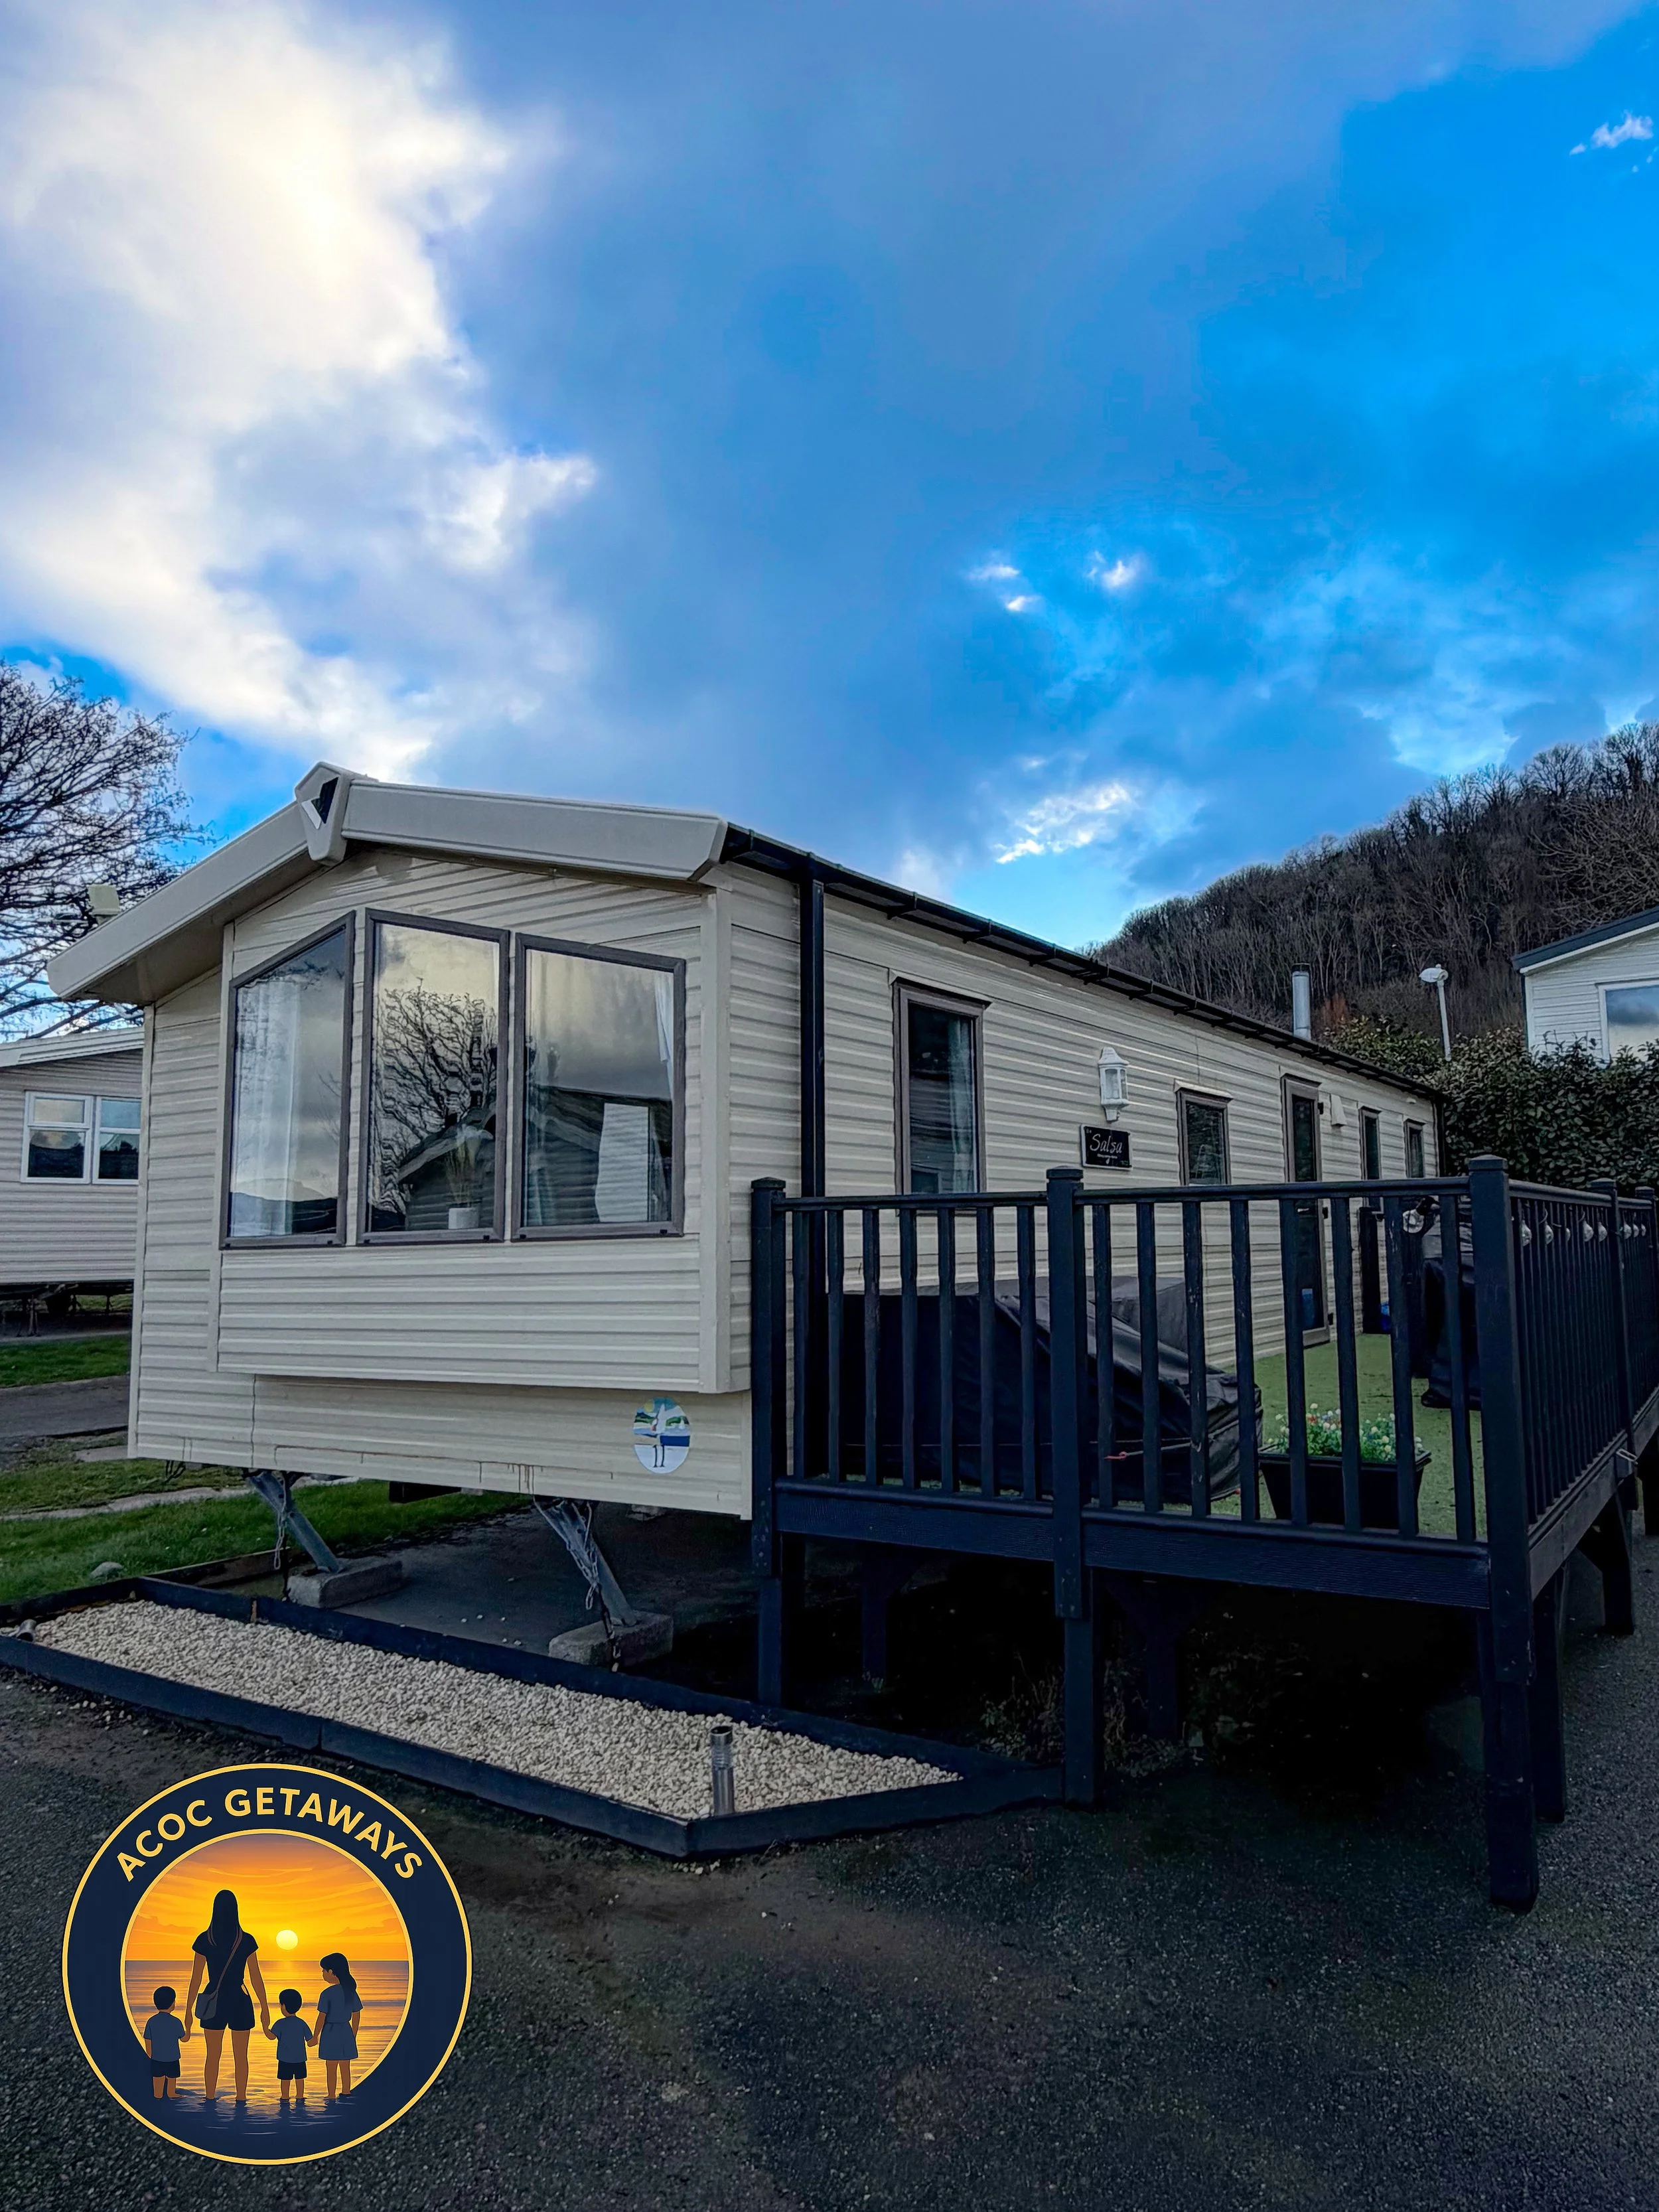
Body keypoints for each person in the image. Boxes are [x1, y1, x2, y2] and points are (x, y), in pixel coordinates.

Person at [182, 1889, 269, 2102]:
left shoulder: (205, 1940)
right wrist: (265, 2008)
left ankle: (210, 2098)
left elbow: (196, 1979)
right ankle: (241, 2099)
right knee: (241, 2057)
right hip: (240, 1999)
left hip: (213, 2000)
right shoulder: (246, 1940)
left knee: (212, 2056)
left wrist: (188, 2010)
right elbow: (256, 1977)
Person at [313, 1953, 362, 2099]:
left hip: (331, 2032)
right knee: (345, 2065)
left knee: (331, 2065)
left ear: (331, 1972)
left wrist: (315, 2036)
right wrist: (353, 2034)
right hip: (346, 2031)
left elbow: (321, 2018)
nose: (322, 1973)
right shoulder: (350, 1992)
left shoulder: (327, 1994)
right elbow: (357, 2014)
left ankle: (331, 2095)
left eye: (323, 1970)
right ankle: (346, 2091)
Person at [262, 1988, 313, 2106]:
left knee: (285, 2080)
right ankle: (300, 2097)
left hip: (284, 2059)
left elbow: (271, 2037)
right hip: (300, 2059)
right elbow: (310, 2040)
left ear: (284, 2006)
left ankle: (285, 2097)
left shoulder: (280, 2023)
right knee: (300, 2079)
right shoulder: (302, 2023)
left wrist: (265, 2027)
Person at [142, 1984, 190, 2100]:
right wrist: (188, 2028)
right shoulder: (176, 2022)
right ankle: (171, 2094)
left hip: (157, 2060)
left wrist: (151, 2057)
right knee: (172, 2083)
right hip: (172, 2059)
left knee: (157, 2088)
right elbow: (184, 2039)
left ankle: (158, 2096)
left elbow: (148, 2041)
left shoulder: (151, 2021)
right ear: (173, 2003)